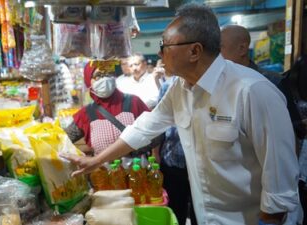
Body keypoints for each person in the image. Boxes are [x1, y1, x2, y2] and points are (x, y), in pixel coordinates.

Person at [62, 3, 300, 225]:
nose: (160, 53)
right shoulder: (181, 88)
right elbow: (145, 127)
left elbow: (280, 183)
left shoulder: (252, 92)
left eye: (165, 45)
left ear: (194, 51)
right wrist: (96, 161)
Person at [221, 25, 306, 151]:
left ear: (242, 49)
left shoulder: (271, 82)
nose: (214, 56)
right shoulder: (221, 82)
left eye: (220, 48)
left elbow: (293, 129)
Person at [64, 62, 154, 156]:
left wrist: (137, 150)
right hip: (103, 170)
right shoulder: (85, 113)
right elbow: (63, 139)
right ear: (88, 81)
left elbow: (155, 133)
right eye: (98, 75)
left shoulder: (134, 102)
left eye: (108, 74)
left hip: (136, 168)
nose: (105, 79)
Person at [157, 74, 197, 225]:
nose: (162, 55)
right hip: (173, 159)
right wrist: (156, 154)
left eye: (166, 49)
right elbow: (157, 123)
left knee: (199, 213)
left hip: (202, 165)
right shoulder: (168, 86)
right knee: (175, 209)